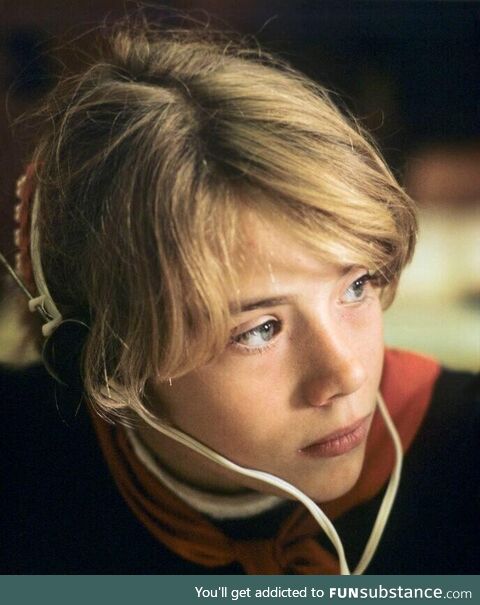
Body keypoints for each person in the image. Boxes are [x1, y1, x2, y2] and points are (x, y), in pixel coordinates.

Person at [1, 19, 478, 575]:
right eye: (259, 330)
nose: (346, 374)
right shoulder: (22, 467)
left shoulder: (461, 455)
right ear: (104, 355)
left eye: (356, 285)